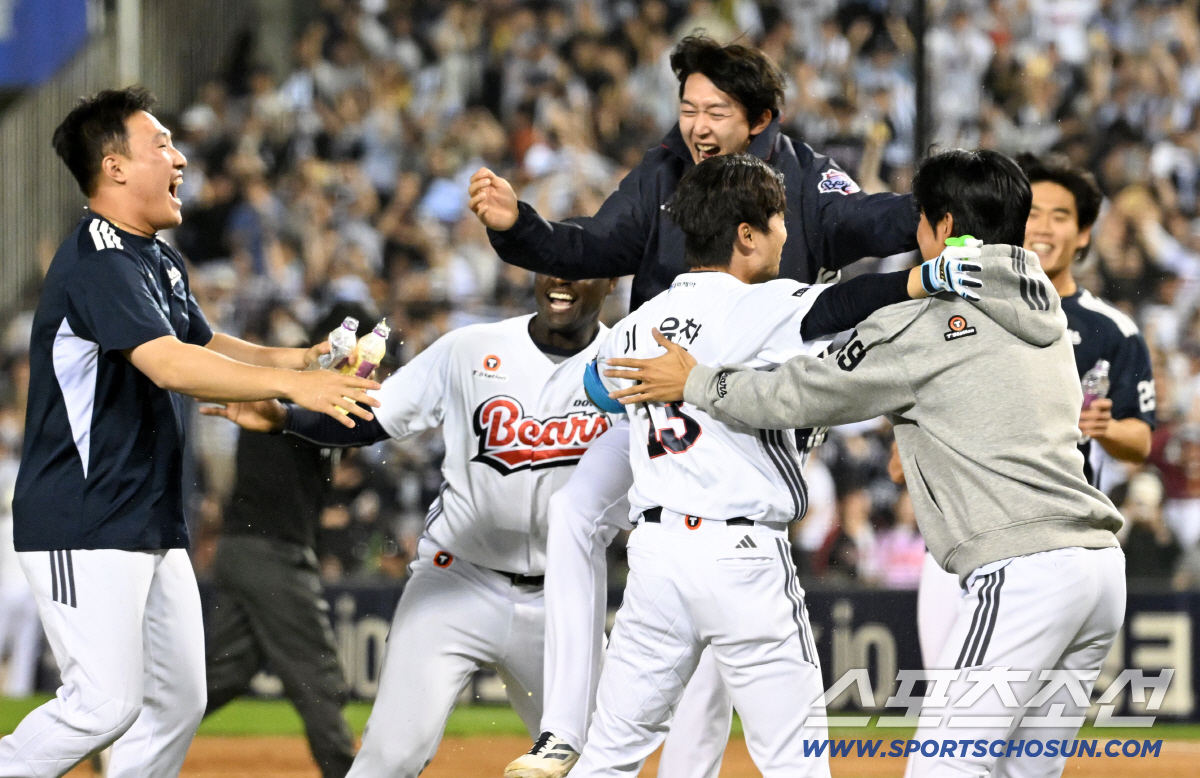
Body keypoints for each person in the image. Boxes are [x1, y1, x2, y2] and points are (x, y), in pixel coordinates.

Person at [470, 36, 921, 778]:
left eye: (717, 111)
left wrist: (936, 210)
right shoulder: (668, 179)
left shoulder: (804, 180)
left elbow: (874, 220)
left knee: (687, 654)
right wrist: (520, 225)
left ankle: (637, 757)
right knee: (579, 511)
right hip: (677, 428)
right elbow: (591, 247)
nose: (698, 126)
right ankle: (562, 728)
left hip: (725, 413)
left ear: (760, 118)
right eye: (688, 108)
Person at [607, 149, 1126, 777]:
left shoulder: (927, 323)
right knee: (1023, 772)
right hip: (1099, 569)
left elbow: (799, 393)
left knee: (945, 769)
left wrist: (696, 382)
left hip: (1024, 569)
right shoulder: (1043, 307)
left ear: (943, 226)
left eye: (920, 219)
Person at [1, 87, 378, 778]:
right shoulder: (99, 258)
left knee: (178, 703)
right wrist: (294, 389)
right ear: (115, 166)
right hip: (82, 519)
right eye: (162, 144)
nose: (179, 158)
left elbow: (204, 345)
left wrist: (301, 360)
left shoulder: (157, 258)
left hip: (146, 519)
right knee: (102, 706)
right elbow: (171, 364)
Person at [572, 153, 978, 777]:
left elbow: (596, 389)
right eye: (780, 219)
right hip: (740, 557)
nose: (787, 233)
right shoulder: (756, 305)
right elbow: (840, 304)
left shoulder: (636, 323)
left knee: (608, 755)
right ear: (746, 235)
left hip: (655, 555)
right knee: (796, 761)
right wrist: (922, 281)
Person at [202, 275, 621, 777]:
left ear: (611, 280)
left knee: (599, 764)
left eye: (580, 267)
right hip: (457, 580)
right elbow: (374, 418)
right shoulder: (471, 347)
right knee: (387, 758)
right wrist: (287, 419)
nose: (562, 278)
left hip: (562, 599)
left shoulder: (629, 358)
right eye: (551, 263)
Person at [914, 153, 1157, 669]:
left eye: (1060, 215)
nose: (1042, 227)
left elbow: (1141, 441)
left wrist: (1108, 428)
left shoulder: (1111, 330)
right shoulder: (965, 305)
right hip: (963, 531)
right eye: (1033, 213)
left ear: (1084, 233)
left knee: (994, 708)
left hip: (1056, 537)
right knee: (952, 695)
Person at [202, 307, 377, 778]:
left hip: (245, 549)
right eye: (366, 355)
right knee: (317, 672)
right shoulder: (294, 378)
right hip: (273, 550)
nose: (369, 366)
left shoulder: (315, 385)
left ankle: (128, 736)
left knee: (224, 674)